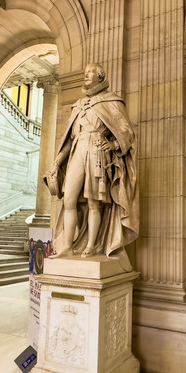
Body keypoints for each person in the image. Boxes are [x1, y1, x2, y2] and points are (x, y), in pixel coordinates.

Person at [46, 63, 138, 271]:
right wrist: (57, 161)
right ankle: (67, 246)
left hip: (97, 153)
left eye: (90, 72)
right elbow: (70, 139)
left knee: (94, 202)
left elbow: (127, 132)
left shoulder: (111, 101)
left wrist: (114, 144)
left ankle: (91, 246)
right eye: (85, 72)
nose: (85, 75)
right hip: (78, 151)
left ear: (100, 76)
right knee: (69, 200)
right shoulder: (79, 105)